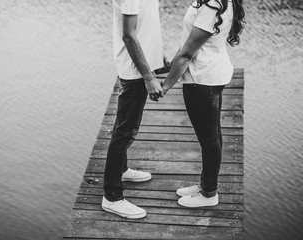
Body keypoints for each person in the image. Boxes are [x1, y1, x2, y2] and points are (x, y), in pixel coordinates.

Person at [160, 0, 246, 207]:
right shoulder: (220, 2)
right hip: (212, 73)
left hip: (203, 79)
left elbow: (188, 53)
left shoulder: (212, 6)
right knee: (213, 135)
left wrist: (165, 87)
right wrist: (172, 63)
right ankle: (206, 184)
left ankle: (209, 193)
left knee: (209, 139)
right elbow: (189, 44)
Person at [102, 0, 169, 219]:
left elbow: (146, 24)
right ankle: (112, 197)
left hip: (141, 66)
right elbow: (128, 35)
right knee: (125, 132)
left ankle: (122, 170)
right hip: (135, 72)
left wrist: (158, 56)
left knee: (124, 127)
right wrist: (148, 76)